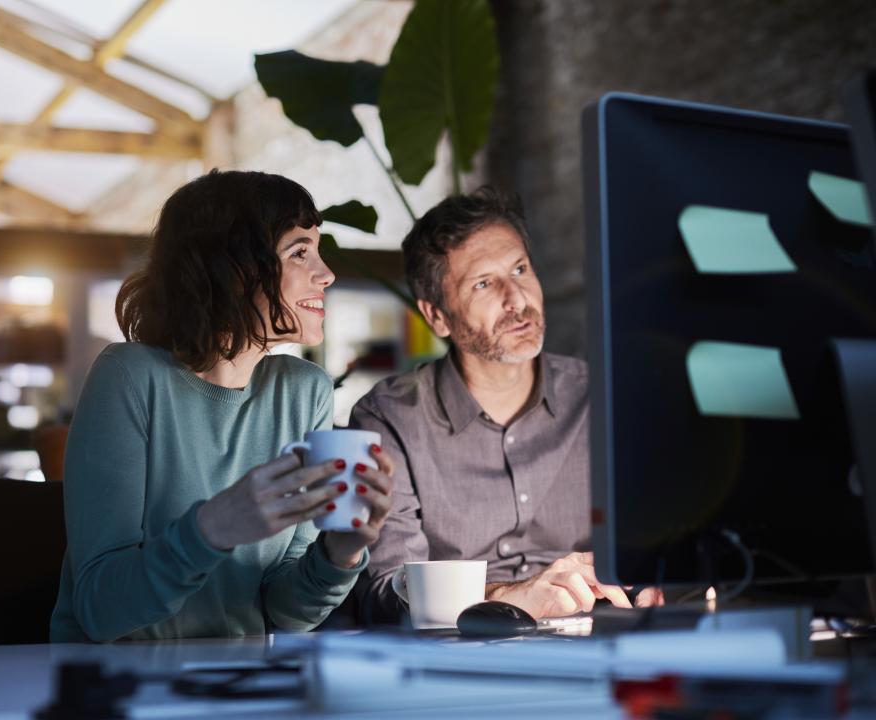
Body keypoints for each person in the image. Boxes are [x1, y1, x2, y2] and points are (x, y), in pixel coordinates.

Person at [50, 170, 394, 642]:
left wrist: (341, 553)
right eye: (300, 252)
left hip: (237, 683)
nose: (327, 273)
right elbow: (99, 610)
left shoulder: (304, 391)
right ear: (234, 270)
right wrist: (213, 528)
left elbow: (287, 612)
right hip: (118, 687)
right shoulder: (130, 376)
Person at [351, 187, 660, 624]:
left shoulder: (604, 396)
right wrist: (513, 597)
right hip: (459, 658)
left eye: (520, 269)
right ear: (437, 315)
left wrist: (658, 580)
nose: (517, 300)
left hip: (603, 643)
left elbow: (661, 544)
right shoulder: (389, 419)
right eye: (483, 283)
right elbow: (384, 593)